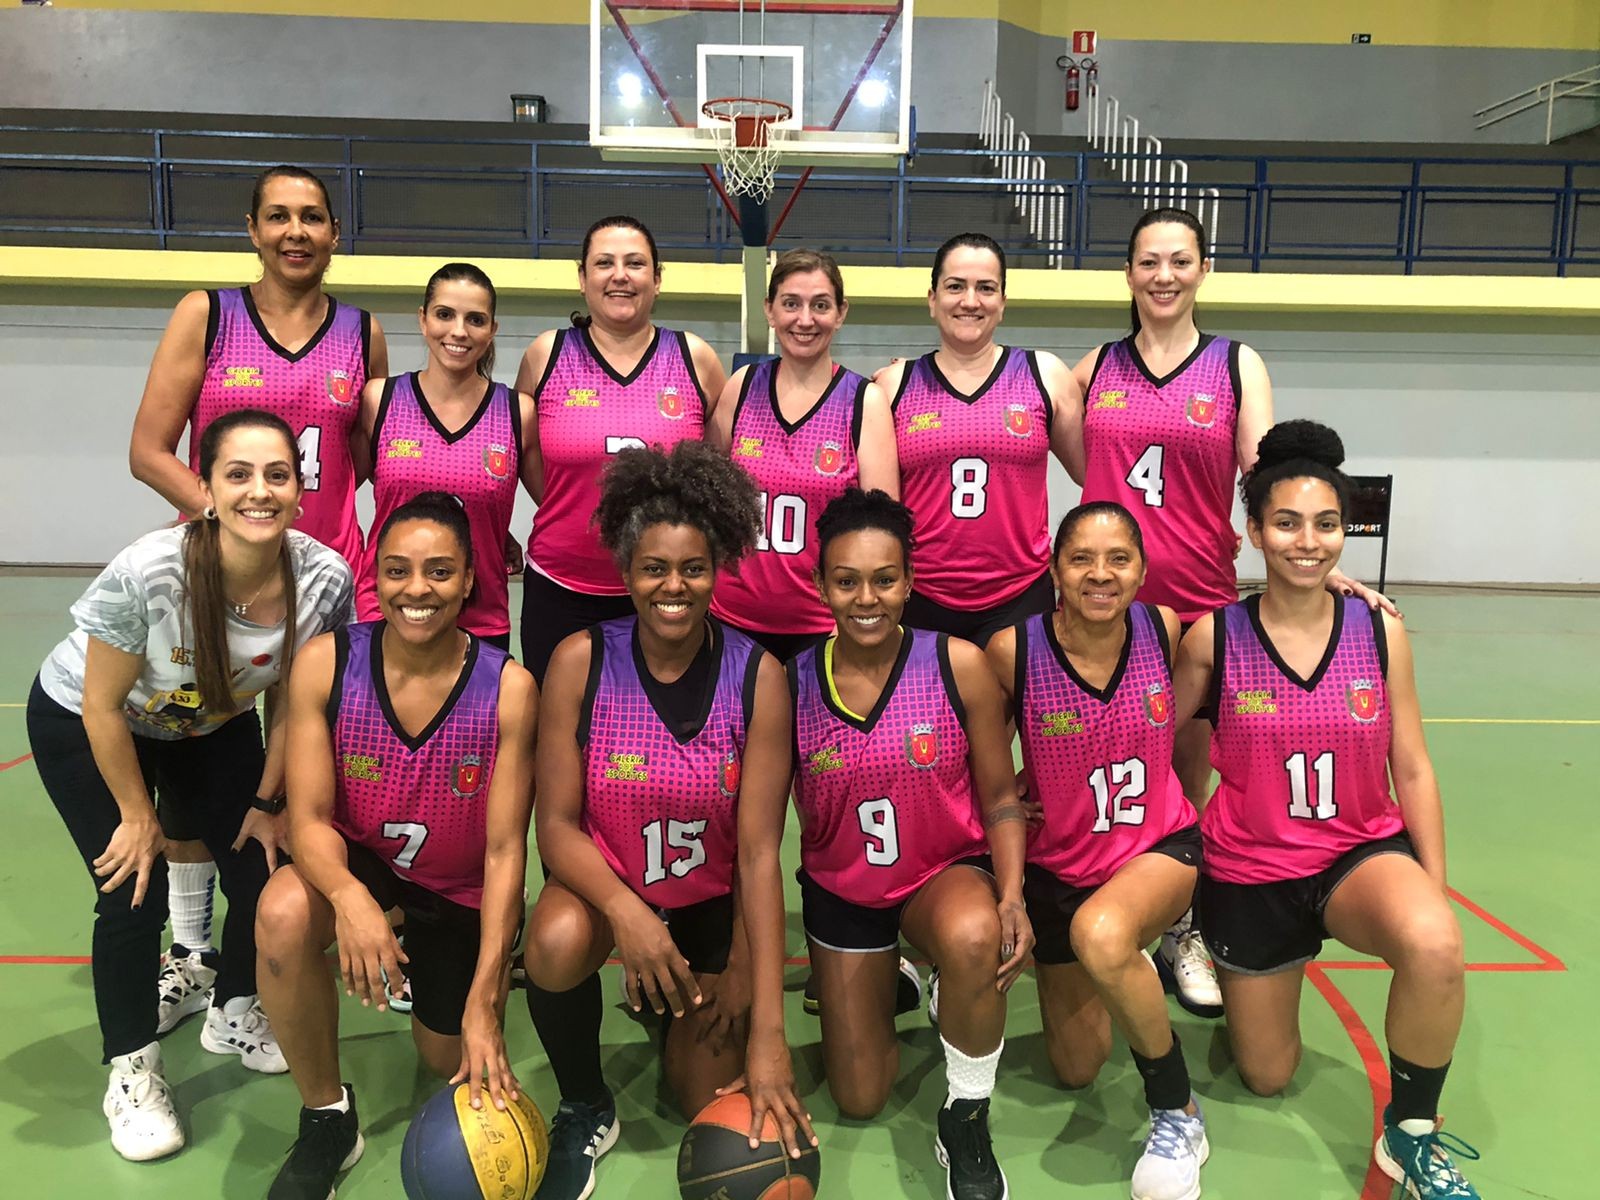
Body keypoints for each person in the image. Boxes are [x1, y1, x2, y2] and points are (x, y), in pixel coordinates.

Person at [1072, 207, 1391, 1016]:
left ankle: (1184, 925)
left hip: (1201, 598)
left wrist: (1321, 566)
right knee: (1105, 761)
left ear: (1203, 269)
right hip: (1115, 608)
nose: (1164, 276)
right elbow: (1052, 440)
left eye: (1180, 260)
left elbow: (1268, 478)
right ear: (1129, 273)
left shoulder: (1234, 363)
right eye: (1148, 262)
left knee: (1184, 772)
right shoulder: (1095, 367)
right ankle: (1104, 908)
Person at [26, 409, 354, 1161]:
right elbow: (103, 705)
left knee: (266, 868)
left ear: (301, 489)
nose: (259, 491)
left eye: (277, 474)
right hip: (93, 721)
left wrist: (269, 801)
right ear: (205, 487)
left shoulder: (323, 577)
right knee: (130, 888)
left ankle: (235, 1007)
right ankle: (132, 1068)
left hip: (211, 721)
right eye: (237, 474)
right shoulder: (150, 571)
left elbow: (291, 698)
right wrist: (138, 816)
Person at [1170, 421, 1477, 1199]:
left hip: (1356, 856)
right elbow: (1158, 750)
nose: (1308, 543)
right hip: (1249, 872)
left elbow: (1411, 763)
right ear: (1253, 532)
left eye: (1326, 524)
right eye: (1286, 523)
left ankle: (1409, 1136)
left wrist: (1430, 892)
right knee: (1268, 1075)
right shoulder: (1213, 637)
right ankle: (1227, 952)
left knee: (1436, 943)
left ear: (1347, 530)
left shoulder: (1381, 629)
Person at [127, 164, 388, 1026]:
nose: (296, 231)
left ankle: (320, 933)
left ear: (335, 233)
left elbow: (386, 460)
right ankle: (192, 950)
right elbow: (149, 448)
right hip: (220, 586)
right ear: (251, 228)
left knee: (306, 773)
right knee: (201, 768)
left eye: (312, 216)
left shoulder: (363, 333)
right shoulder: (208, 313)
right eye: (279, 216)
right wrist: (235, 521)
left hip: (324, 588)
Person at [522, 441, 812, 1200]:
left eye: (691, 568)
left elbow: (758, 855)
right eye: (654, 568)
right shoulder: (581, 661)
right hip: (614, 897)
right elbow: (553, 827)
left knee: (705, 1103)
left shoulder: (760, 676)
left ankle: (675, 1005)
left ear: (718, 571)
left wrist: (767, 1022)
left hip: (711, 911)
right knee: (551, 942)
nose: (672, 586)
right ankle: (585, 1103)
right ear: (626, 572)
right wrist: (627, 913)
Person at [255, 493, 538, 1200]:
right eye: (399, 570)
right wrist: (351, 900)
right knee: (283, 912)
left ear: (471, 579)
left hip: (456, 887)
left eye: (440, 572)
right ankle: (327, 1117)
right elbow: (310, 818)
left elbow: (507, 853)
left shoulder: (508, 689)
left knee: (449, 1059)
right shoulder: (325, 663)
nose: (418, 589)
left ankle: (429, 969)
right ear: (374, 576)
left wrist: (486, 1000)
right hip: (367, 866)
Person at [790, 487, 1032, 1200]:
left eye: (885, 579)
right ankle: (898, 977)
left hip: (939, 872)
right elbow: (758, 831)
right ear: (821, 585)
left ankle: (965, 1113)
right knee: (860, 1095)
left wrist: (1012, 893)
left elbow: (999, 797)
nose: (868, 598)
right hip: (843, 891)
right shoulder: (791, 682)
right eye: (847, 580)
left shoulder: (958, 664)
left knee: (972, 933)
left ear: (911, 581)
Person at [985, 501, 1207, 1200]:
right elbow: (980, 763)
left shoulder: (1164, 628)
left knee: (1102, 933)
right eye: (1081, 558)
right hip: (1062, 868)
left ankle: (1178, 1111)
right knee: (1076, 1067)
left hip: (1158, 847)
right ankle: (1121, 966)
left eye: (1119, 559)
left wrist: (1351, 589)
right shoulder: (1011, 650)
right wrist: (1009, 875)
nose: (1100, 574)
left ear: (1142, 571)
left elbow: (1261, 625)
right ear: (1054, 569)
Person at [513, 215, 727, 683]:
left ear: (657, 278)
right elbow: (529, 458)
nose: (620, 275)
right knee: (557, 731)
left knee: (655, 734)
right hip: (561, 583)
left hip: (667, 590)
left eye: (635, 263)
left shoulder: (695, 358)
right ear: (583, 278)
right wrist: (573, 508)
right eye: (604, 263)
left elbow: (716, 474)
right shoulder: (545, 354)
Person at [874, 232, 1083, 649]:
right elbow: (876, 505)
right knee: (925, 715)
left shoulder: (1045, 375)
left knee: (1014, 715)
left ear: (1002, 302)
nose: (970, 301)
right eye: (956, 286)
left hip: (1020, 596)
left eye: (985, 288)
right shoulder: (892, 385)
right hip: (922, 596)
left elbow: (1099, 473)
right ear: (932, 299)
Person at [708, 248, 898, 664]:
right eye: (791, 303)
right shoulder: (742, 387)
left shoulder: (864, 402)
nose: (805, 319)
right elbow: (706, 499)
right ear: (770, 310)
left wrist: (848, 620)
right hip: (731, 621)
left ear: (841, 312)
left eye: (821, 305)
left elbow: (882, 532)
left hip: (820, 629)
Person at [352, 263, 539, 650]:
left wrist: (492, 529)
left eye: (475, 319)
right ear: (422, 320)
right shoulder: (379, 400)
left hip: (482, 619)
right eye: (444, 314)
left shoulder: (517, 412)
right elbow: (337, 493)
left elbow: (557, 504)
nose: (458, 331)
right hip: (388, 609)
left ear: (492, 330)